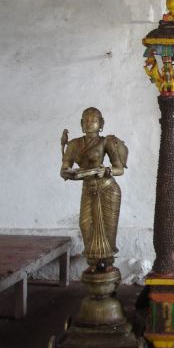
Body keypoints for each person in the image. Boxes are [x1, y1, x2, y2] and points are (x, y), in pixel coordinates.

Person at [60, 107, 127, 270]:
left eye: (94, 120)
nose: (90, 123)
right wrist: (70, 173)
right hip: (88, 188)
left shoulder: (106, 142)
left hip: (108, 189)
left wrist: (108, 170)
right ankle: (93, 265)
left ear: (101, 124)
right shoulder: (74, 144)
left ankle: (107, 266)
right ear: (82, 123)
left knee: (108, 232)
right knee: (86, 226)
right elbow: (64, 169)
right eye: (86, 120)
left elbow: (120, 169)